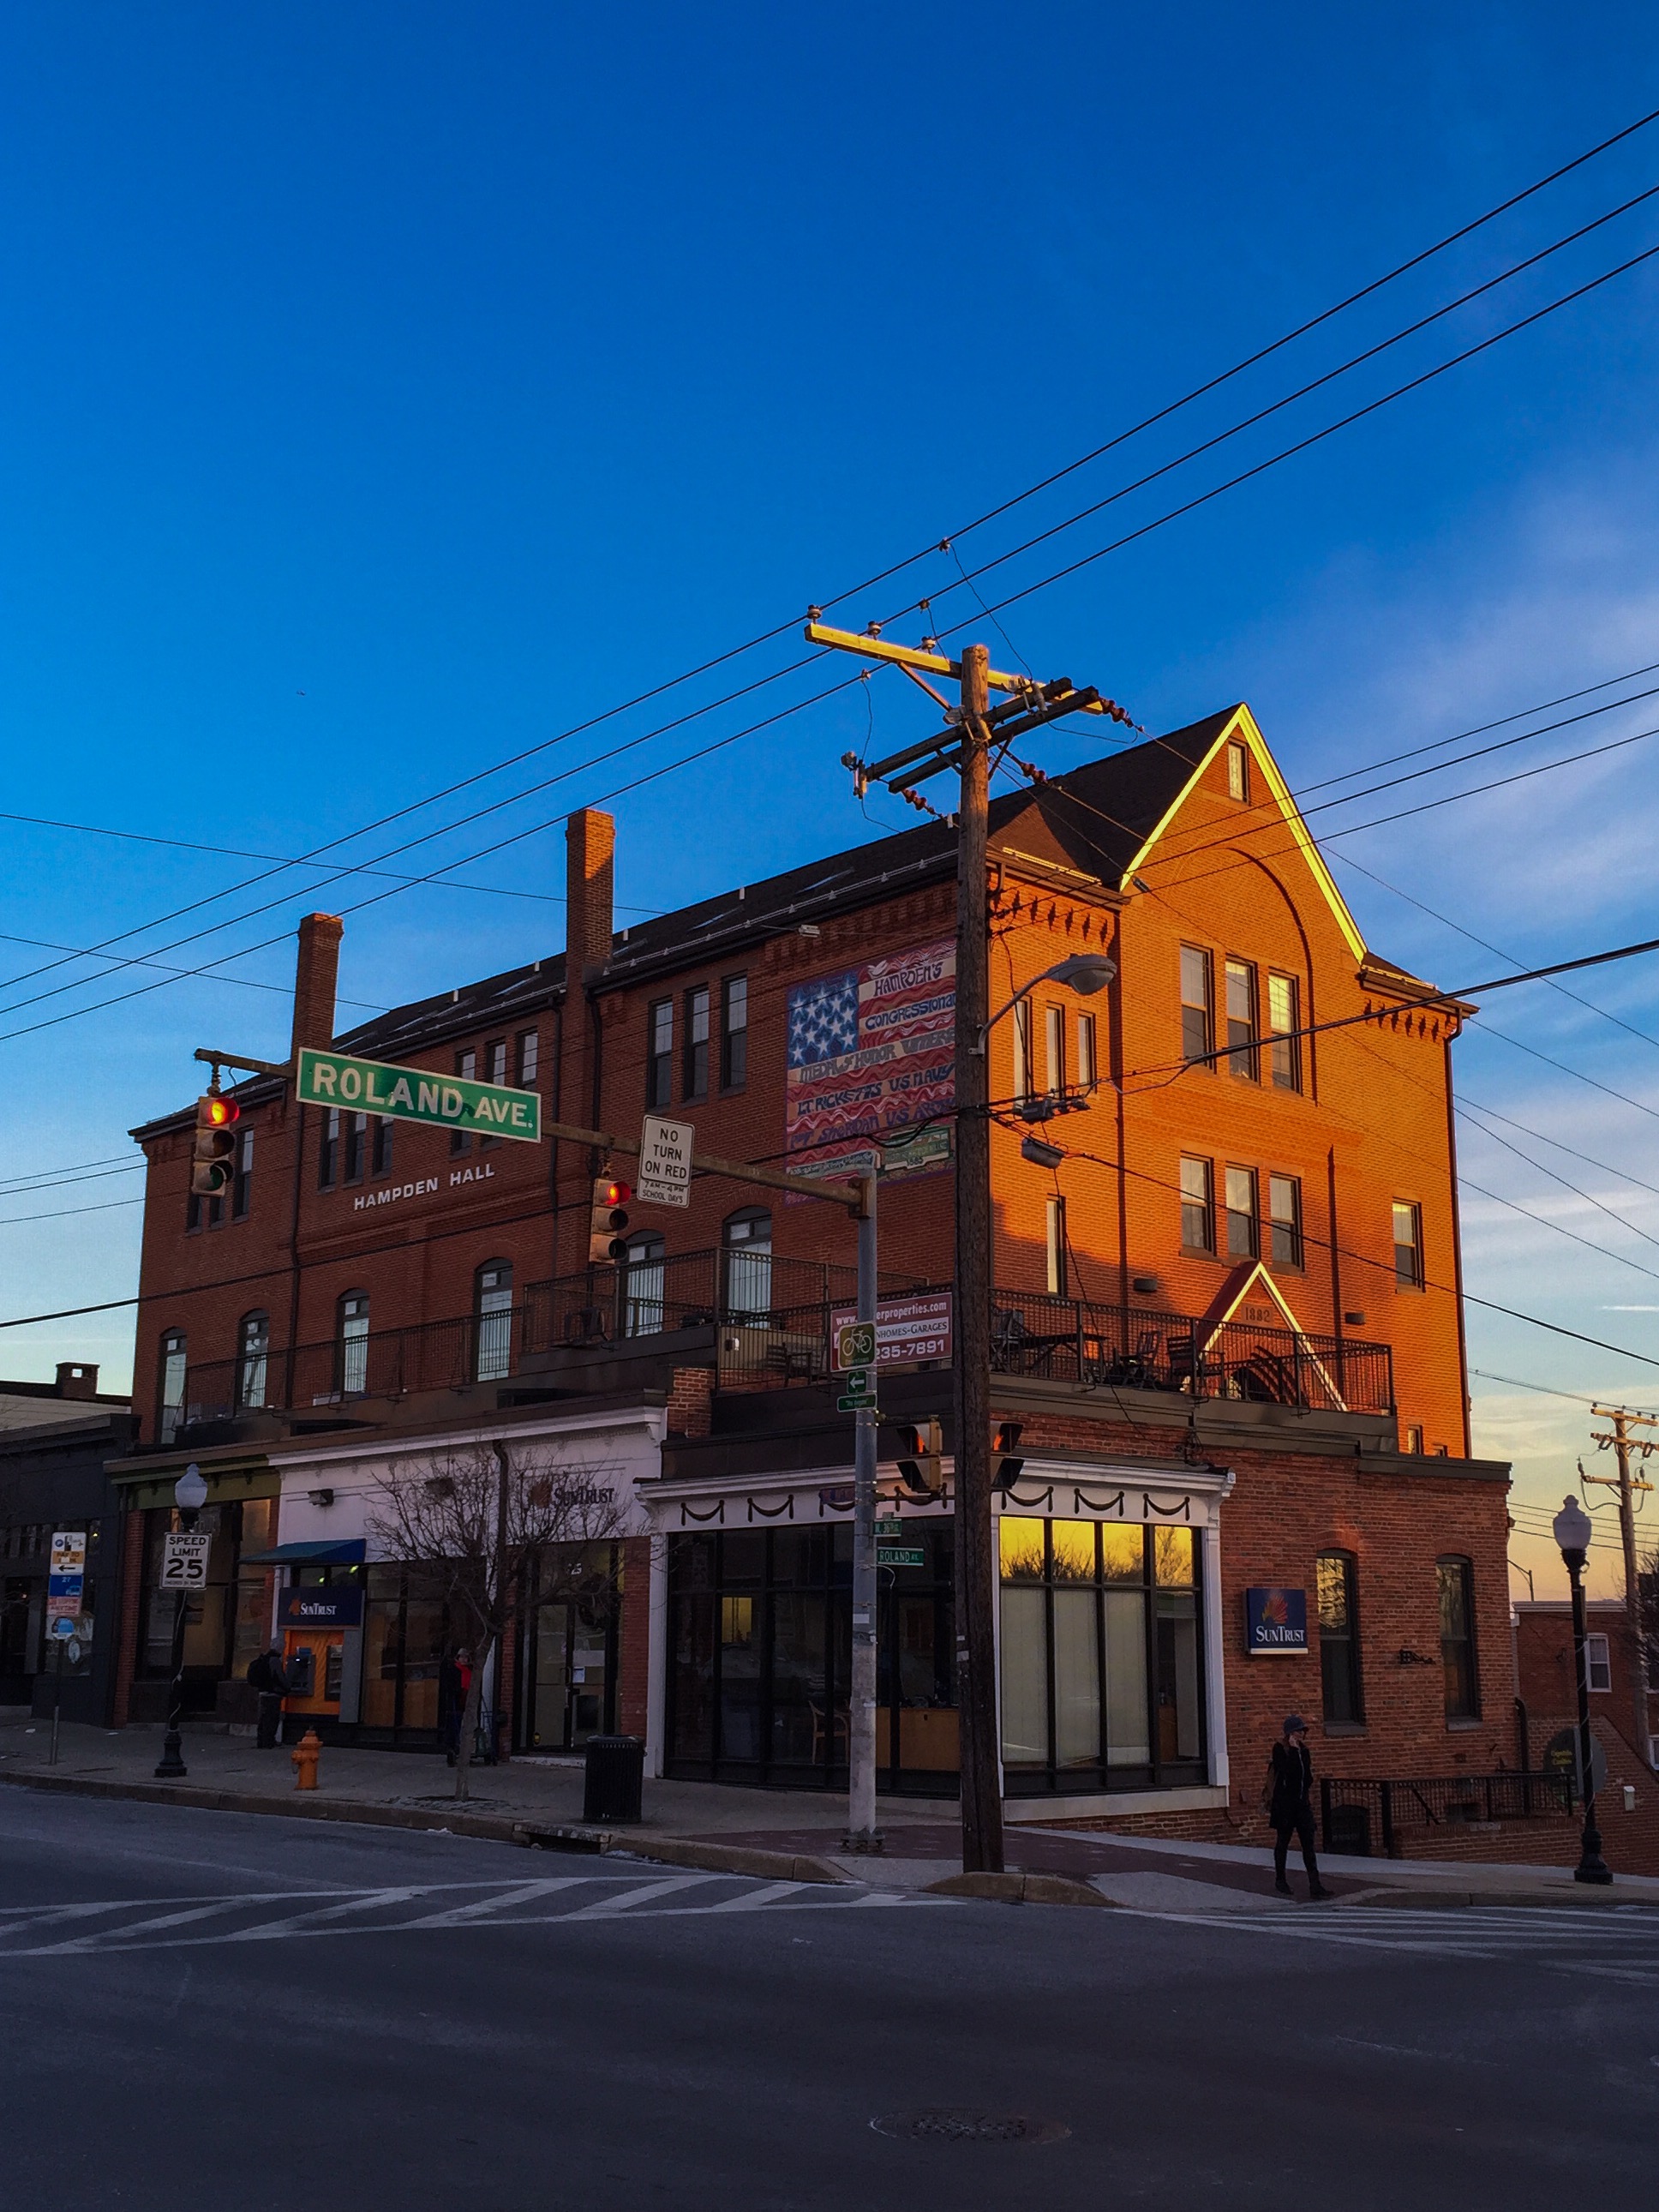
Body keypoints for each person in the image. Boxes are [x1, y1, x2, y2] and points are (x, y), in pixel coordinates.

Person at [1267, 1715, 1330, 1900]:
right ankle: (1280, 1880)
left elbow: (1306, 1777)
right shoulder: (1280, 1749)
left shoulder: (1305, 1751)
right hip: (1285, 1806)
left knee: (1308, 1844)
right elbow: (1288, 1771)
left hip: (1302, 1805)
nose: (1301, 1734)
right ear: (1289, 1733)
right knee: (1283, 1842)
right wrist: (1293, 1751)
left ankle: (1315, 1884)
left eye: (1302, 1731)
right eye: (1298, 1731)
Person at [247, 1643, 289, 1750]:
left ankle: (261, 1742)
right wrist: (287, 1687)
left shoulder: (264, 1659)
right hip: (273, 1693)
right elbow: (280, 1677)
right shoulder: (275, 1660)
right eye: (283, 1648)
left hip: (263, 1693)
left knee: (263, 1718)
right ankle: (269, 1742)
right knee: (272, 1719)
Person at [440, 1646, 472, 1764]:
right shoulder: (453, 1670)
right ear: (458, 1658)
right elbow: (448, 1686)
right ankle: (452, 1749)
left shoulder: (469, 1671)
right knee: (453, 1725)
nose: (464, 1659)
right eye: (461, 1657)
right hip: (455, 1701)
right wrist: (457, 1691)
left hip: (467, 1701)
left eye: (466, 1657)